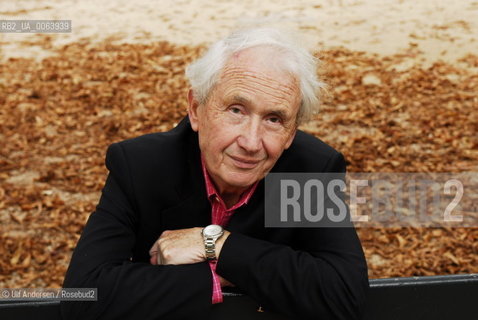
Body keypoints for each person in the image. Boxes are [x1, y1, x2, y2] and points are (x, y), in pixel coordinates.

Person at [61, 28, 368, 320]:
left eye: (274, 119)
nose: (250, 142)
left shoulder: (306, 172)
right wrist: (223, 275)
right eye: (236, 110)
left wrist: (216, 245)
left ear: (290, 134)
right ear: (196, 108)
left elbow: (343, 294)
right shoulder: (142, 166)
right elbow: (83, 297)